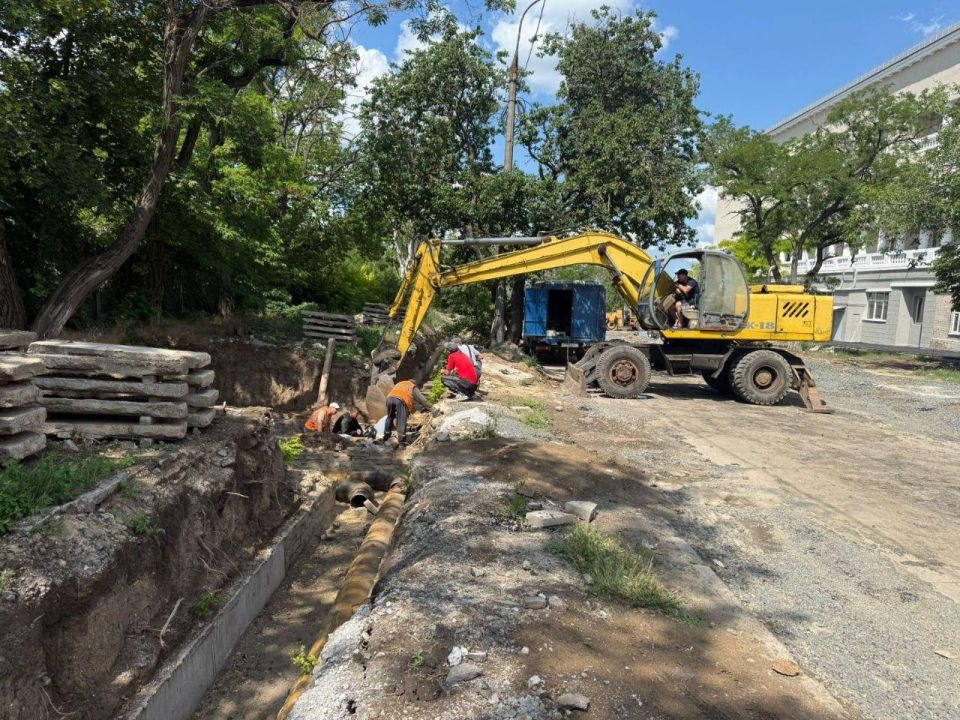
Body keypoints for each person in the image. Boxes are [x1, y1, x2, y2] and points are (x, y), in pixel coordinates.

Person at [384, 378, 432, 444]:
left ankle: (386, 435)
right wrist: (430, 407)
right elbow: (422, 399)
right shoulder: (412, 386)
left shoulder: (400, 383)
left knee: (390, 417)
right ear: (414, 384)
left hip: (389, 398)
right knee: (401, 419)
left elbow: (412, 401)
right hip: (400, 400)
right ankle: (401, 439)